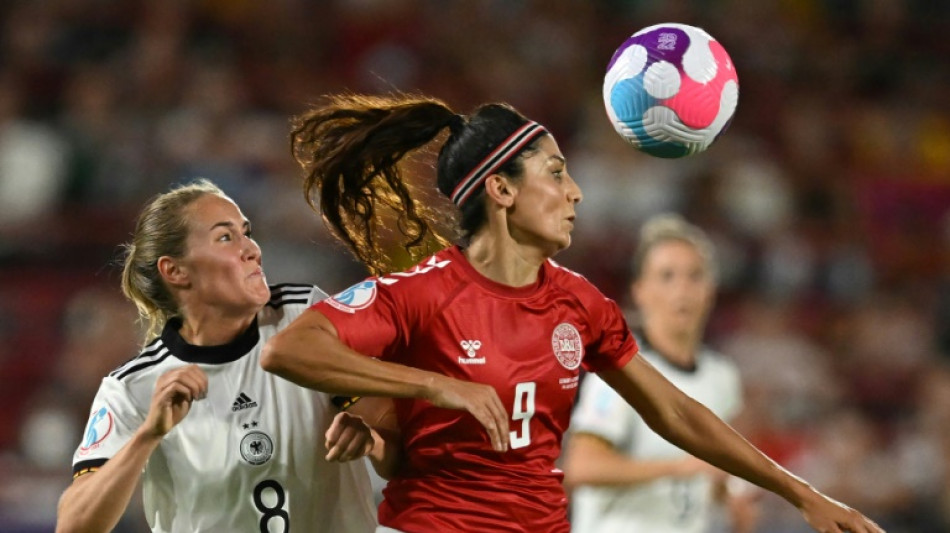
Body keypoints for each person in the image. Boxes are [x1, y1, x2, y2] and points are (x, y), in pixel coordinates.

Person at [260, 93, 885, 533]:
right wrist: (435, 385)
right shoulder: (422, 292)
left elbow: (673, 411)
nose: (575, 193)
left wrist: (801, 493)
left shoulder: (579, 303)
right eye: (556, 174)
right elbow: (289, 350)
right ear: (501, 189)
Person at [55, 179, 385, 533]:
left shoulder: (306, 315)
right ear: (175, 271)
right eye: (226, 237)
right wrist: (148, 435)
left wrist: (375, 440)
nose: (252, 249)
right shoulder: (132, 387)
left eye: (247, 233)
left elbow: (395, 442)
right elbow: (74, 526)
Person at [563, 213, 758, 533]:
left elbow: (712, 474)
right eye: (667, 276)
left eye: (695, 276)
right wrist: (679, 468)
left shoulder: (722, 378)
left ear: (711, 289)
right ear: (640, 291)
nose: (683, 289)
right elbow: (582, 466)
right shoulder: (620, 372)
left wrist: (730, 498)